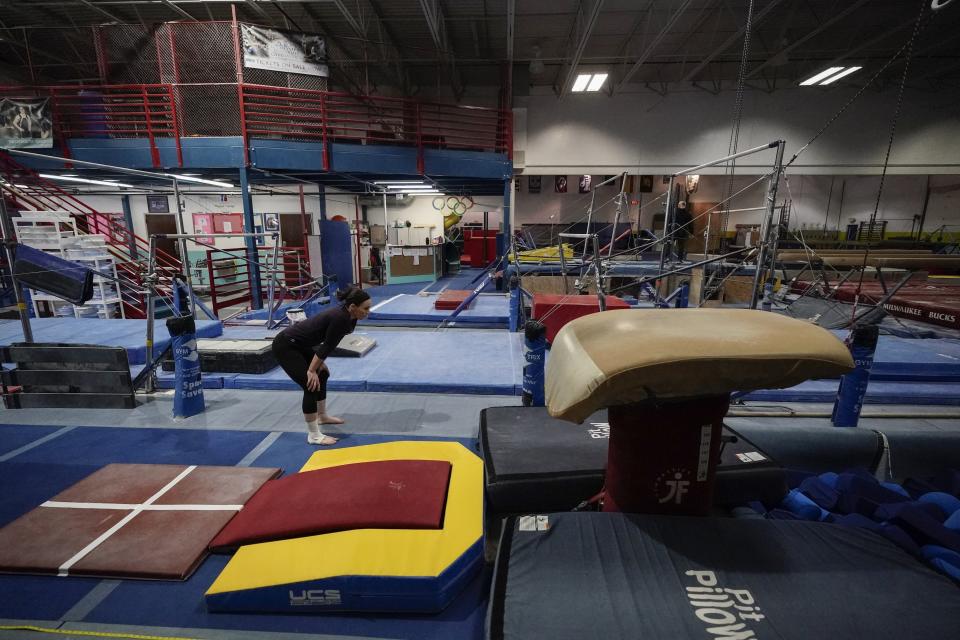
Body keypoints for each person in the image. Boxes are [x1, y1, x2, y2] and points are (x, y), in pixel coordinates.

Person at [272, 285, 372, 445]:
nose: (368, 312)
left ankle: (322, 416)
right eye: (365, 308)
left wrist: (319, 365)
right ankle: (314, 435)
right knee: (311, 384)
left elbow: (326, 344)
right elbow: (327, 346)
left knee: (323, 374)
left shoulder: (350, 317)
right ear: (352, 307)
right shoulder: (340, 318)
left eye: (369, 308)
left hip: (301, 344)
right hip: (286, 345)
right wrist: (311, 370)